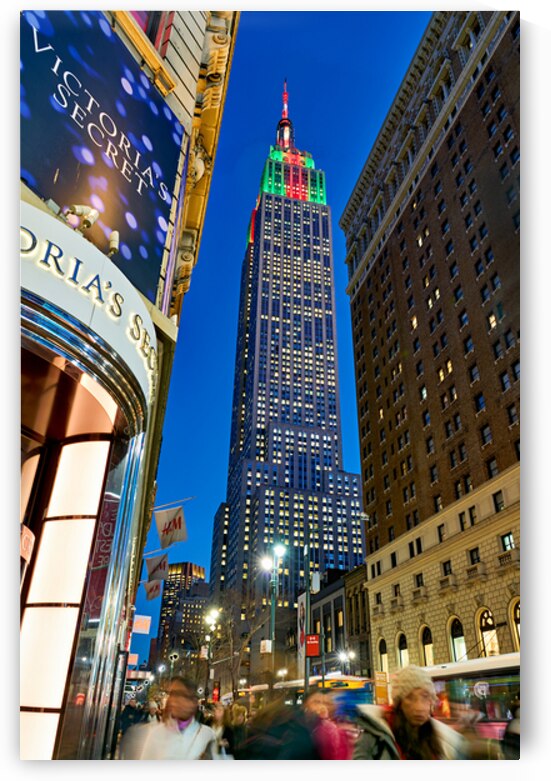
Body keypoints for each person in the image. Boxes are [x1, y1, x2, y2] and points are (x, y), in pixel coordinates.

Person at [353, 665, 466, 760]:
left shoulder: (445, 740)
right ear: (399, 703)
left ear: (431, 701)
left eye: (425, 696)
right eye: (410, 697)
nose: (419, 707)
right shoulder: (374, 737)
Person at [119, 676, 217, 759]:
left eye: (180, 694)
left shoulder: (207, 735)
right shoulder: (154, 733)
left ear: (193, 701)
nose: (174, 700)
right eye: (172, 694)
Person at [303, 690, 353, 759]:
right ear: (306, 705)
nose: (321, 706)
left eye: (325, 703)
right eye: (316, 702)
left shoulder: (330, 729)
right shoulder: (300, 726)